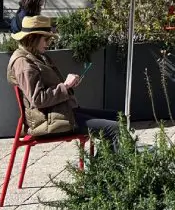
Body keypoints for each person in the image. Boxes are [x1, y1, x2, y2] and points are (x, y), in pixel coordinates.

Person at [6, 15, 120, 147]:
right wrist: (65, 86)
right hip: (48, 122)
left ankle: (103, 165)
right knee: (114, 128)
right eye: (46, 39)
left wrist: (69, 86)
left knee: (119, 117)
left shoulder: (38, 56)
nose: (49, 43)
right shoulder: (23, 63)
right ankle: (110, 166)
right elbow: (38, 99)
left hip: (61, 113)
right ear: (33, 38)